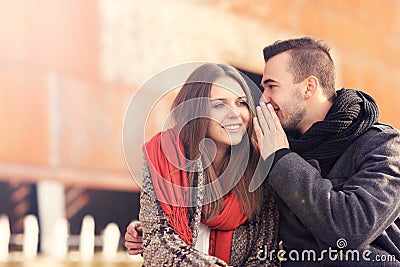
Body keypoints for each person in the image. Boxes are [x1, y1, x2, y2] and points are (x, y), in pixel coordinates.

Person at [126, 37, 400, 266]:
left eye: (271, 86)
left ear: (309, 87)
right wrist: (149, 232)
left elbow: (350, 228)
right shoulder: (271, 147)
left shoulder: (383, 146)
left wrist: (282, 159)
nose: (263, 98)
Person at [134, 63, 280, 266]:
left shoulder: (260, 166)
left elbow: (265, 253)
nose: (235, 113)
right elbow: (158, 240)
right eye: (219, 104)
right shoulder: (163, 155)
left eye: (241, 103)